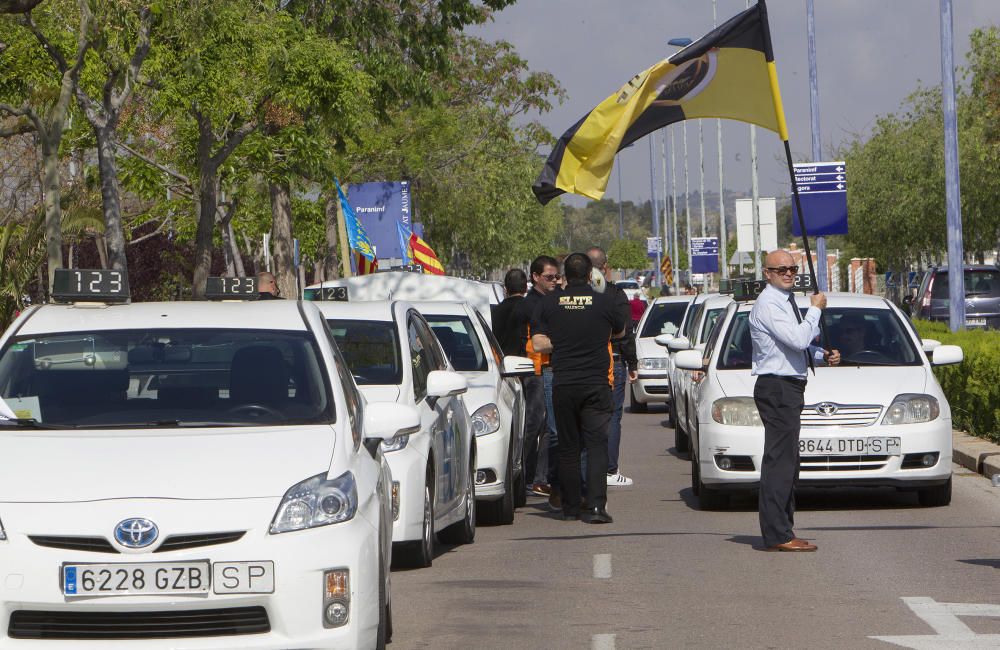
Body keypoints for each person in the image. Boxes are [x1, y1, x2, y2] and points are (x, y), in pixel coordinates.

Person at [749, 250, 840, 552]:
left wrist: (822, 355)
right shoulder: (769, 304)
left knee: (789, 462)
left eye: (792, 268)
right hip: (777, 388)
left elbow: (795, 349)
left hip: (788, 386)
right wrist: (816, 310)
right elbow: (798, 339)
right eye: (781, 269)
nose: (788, 273)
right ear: (768, 273)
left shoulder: (785, 302)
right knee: (780, 462)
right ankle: (777, 534)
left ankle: (783, 527)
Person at [531, 253, 627, 524]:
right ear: (589, 275)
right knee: (597, 446)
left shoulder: (550, 303)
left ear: (564, 275)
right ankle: (595, 507)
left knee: (568, 447)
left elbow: (538, 344)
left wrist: (562, 341)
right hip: (596, 383)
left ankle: (570, 507)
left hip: (564, 383)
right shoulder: (605, 301)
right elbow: (619, 333)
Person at [586, 246, 638, 488]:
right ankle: (609, 469)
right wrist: (633, 363)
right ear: (605, 268)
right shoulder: (615, 295)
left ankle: (587, 469)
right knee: (613, 416)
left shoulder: (574, 296)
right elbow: (625, 333)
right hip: (613, 359)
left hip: (583, 362)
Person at [515, 255, 561, 499]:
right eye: (549, 277)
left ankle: (538, 477)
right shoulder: (531, 304)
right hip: (535, 371)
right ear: (534, 277)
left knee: (546, 427)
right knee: (535, 425)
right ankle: (528, 476)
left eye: (557, 277)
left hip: (547, 369)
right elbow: (528, 341)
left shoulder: (552, 300)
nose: (554, 281)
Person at [491, 269, 528, 356]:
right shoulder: (531, 309)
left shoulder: (494, 311)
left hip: (501, 363)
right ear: (526, 288)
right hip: (526, 363)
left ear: (505, 289)